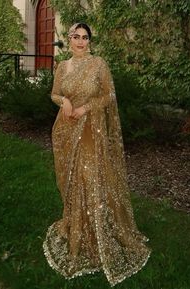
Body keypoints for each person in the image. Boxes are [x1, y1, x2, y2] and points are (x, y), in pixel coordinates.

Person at [43, 22, 151, 287]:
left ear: (90, 40)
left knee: (90, 178)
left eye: (85, 37)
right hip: (66, 130)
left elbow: (108, 95)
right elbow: (55, 93)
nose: (81, 41)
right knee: (72, 182)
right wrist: (64, 101)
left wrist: (86, 107)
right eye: (76, 37)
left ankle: (99, 233)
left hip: (91, 129)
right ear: (69, 39)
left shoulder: (99, 64)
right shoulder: (62, 67)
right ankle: (76, 226)